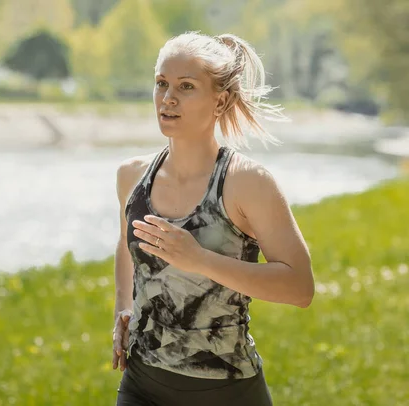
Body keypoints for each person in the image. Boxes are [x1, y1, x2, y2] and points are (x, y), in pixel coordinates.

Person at [111, 31, 315, 406]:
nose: (168, 98)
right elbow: (127, 246)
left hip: (226, 390)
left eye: (186, 86)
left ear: (220, 101)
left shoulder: (246, 183)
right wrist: (123, 307)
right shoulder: (133, 176)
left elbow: (300, 287)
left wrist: (200, 259)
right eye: (161, 83)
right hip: (141, 384)